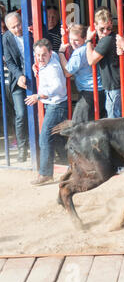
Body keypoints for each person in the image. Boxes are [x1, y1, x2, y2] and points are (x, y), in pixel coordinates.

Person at [25, 38, 68, 185]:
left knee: (45, 138)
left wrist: (38, 96)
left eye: (43, 55)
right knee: (60, 137)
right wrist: (36, 66)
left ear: (49, 53)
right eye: (37, 55)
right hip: (55, 105)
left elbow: (57, 88)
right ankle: (70, 166)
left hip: (56, 106)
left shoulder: (53, 69)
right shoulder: (53, 56)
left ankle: (45, 174)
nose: (40, 58)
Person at [86, 7, 124, 118]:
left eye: (109, 28)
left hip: (115, 87)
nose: (105, 32)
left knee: (114, 122)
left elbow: (91, 61)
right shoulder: (113, 37)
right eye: (102, 29)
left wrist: (88, 41)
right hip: (120, 84)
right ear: (95, 26)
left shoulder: (106, 40)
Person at [58, 24, 106, 123]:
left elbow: (68, 73)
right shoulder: (87, 47)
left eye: (76, 40)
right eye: (71, 39)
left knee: (78, 124)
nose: (73, 43)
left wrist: (61, 53)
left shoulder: (79, 52)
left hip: (89, 91)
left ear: (85, 38)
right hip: (98, 89)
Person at [3, 12, 29, 162]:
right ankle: (22, 149)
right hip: (17, 80)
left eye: (18, 24)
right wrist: (19, 75)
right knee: (20, 114)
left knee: (39, 112)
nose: (17, 29)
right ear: (8, 28)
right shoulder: (6, 38)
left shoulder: (30, 29)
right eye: (13, 27)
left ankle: (39, 146)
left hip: (36, 77)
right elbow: (10, 62)